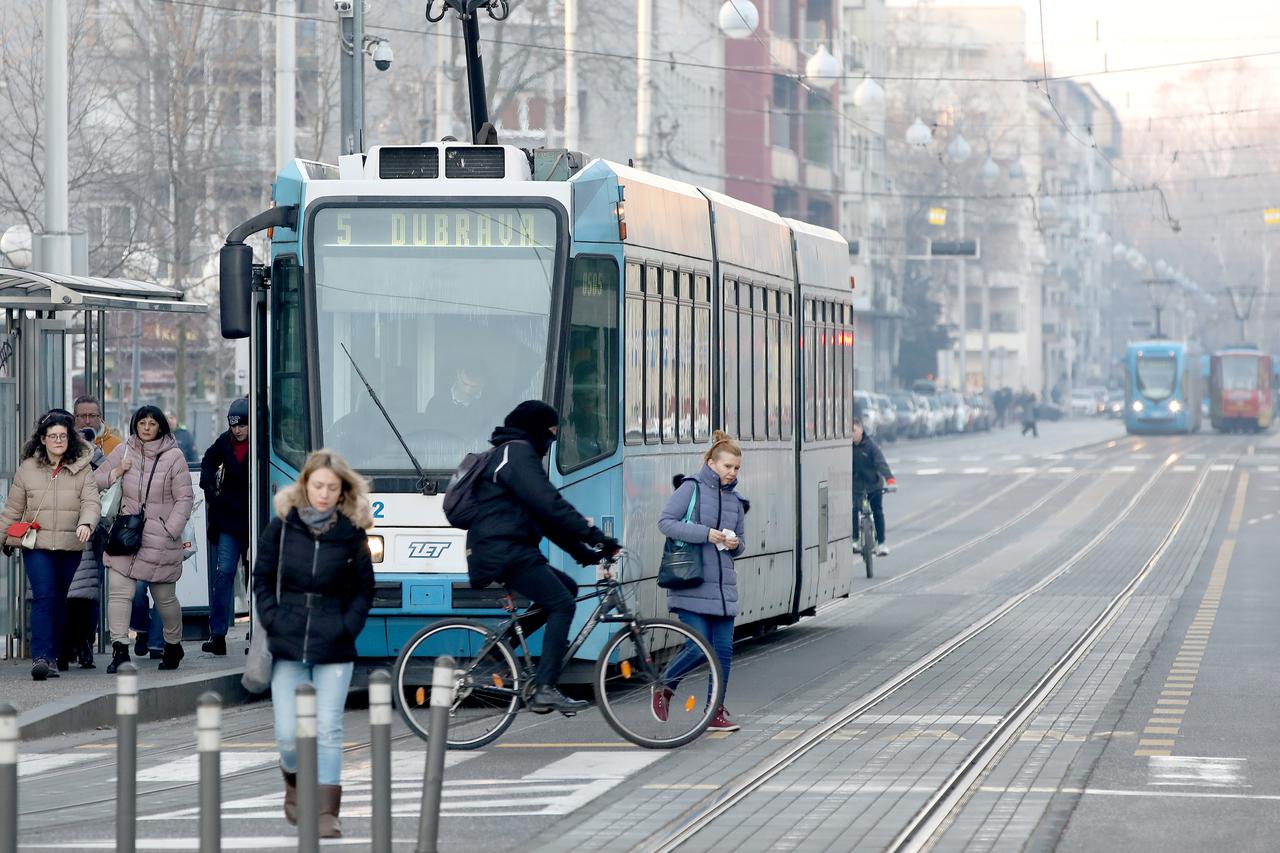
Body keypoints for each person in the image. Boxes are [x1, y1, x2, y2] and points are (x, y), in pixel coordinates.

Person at [464, 400, 619, 714]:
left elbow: (544, 519)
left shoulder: (514, 454)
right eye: (549, 434)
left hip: (507, 549)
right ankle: (545, 688)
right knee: (561, 603)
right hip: (504, 551)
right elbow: (550, 503)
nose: (550, 443)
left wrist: (585, 554)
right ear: (535, 429)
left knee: (568, 591)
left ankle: (497, 651)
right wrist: (595, 535)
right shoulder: (516, 453)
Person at [253, 449, 375, 839]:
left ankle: (326, 813)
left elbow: (364, 590)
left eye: (332, 488)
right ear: (305, 485)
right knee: (288, 734)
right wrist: (272, 618)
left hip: (334, 641)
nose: (323, 494)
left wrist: (347, 626)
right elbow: (261, 577)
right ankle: (292, 779)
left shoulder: (351, 532)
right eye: (318, 486)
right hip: (288, 639)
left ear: (342, 492)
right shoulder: (283, 526)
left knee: (328, 728)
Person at [655, 431, 749, 733]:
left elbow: (743, 542)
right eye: (727, 467)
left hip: (723, 589)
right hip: (691, 582)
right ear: (711, 463)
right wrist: (705, 533)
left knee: (722, 652)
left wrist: (736, 544)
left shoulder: (736, 501)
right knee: (698, 647)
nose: (732, 473)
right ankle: (665, 685)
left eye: (736, 468)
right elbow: (666, 522)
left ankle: (714, 712)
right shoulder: (690, 488)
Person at [0, 412, 99, 680]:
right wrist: (2, 537)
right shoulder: (28, 469)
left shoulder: (82, 467)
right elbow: (13, 508)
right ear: (42, 439)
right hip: (38, 544)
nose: (58, 440)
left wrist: (87, 523)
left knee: (58, 600)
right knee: (43, 597)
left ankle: (53, 655)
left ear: (70, 439)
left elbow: (91, 502)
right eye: (53, 436)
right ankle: (41, 657)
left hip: (70, 544)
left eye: (63, 436)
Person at [97, 405, 194, 673]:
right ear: (135, 425)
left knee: (164, 598)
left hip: (160, 538)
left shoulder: (174, 456)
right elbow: (95, 480)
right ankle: (119, 650)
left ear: (161, 426)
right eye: (142, 423)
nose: (147, 427)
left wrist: (170, 530)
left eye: (152, 423)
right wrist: (117, 472)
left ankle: (173, 644)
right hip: (126, 534)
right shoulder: (123, 451)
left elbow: (185, 498)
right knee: (119, 593)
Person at [199, 398, 251, 655]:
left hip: (253, 519)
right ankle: (217, 634)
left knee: (257, 577)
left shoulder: (262, 441)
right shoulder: (224, 442)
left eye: (242, 425)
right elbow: (208, 460)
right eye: (234, 425)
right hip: (230, 520)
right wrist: (210, 488)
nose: (238, 430)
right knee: (224, 574)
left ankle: (258, 633)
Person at [852, 417, 894, 557]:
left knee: (877, 511)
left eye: (854, 430)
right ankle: (855, 540)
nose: (851, 434)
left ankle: (881, 543)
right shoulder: (846, 447)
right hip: (856, 485)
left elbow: (881, 463)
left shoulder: (871, 446)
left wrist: (890, 479)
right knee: (854, 509)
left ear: (861, 430)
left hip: (873, 484)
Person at [423, 366, 489, 438]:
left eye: (473, 387)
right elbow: (428, 436)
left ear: (483, 383)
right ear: (458, 375)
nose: (467, 390)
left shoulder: (488, 406)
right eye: (465, 384)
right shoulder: (436, 404)